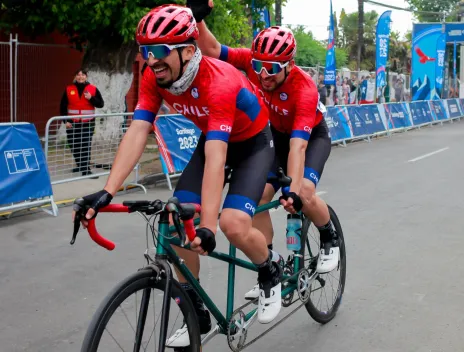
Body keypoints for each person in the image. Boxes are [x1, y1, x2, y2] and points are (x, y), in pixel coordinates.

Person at [73, 4, 283, 348]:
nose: (151, 60)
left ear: (188, 50)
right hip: (213, 140)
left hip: (252, 146)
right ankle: (193, 306)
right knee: (174, 219)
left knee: (232, 224)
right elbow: (139, 129)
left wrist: (209, 226)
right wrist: (107, 191)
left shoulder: (218, 82)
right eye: (145, 51)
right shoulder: (155, 77)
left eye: (159, 51)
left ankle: (268, 269)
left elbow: (217, 159)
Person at [186, 1, 339, 301]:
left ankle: (328, 236)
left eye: (272, 69)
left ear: (290, 66)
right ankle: (269, 266)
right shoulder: (256, 63)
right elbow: (215, 50)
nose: (264, 74)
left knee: (304, 192)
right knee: (259, 197)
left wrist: (293, 190)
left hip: (309, 138)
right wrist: (198, 19)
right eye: (258, 66)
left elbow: (299, 146)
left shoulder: (304, 90)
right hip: (273, 139)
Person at [60, 69, 104, 177]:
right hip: (72, 123)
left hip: (87, 123)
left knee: (85, 145)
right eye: (78, 75)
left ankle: (86, 170)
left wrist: (91, 98)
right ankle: (80, 165)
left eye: (83, 74)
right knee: (73, 145)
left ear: (86, 76)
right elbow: (63, 106)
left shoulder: (93, 89)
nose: (80, 76)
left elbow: (101, 104)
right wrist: (65, 121)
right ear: (75, 76)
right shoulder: (68, 89)